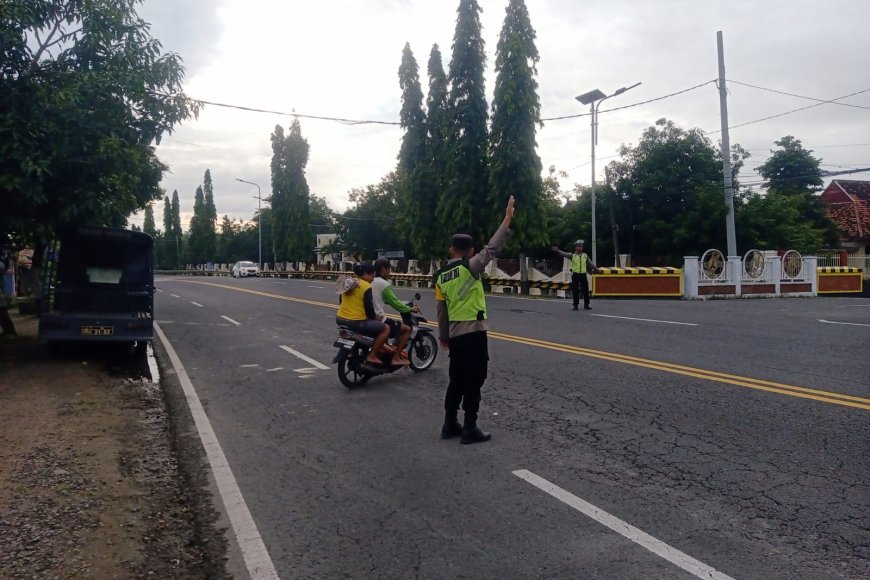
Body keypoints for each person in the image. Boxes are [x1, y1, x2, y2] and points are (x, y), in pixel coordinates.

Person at [435, 195, 515, 444]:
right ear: (470, 251)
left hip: (456, 336)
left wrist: (444, 336)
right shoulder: (470, 266)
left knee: (456, 378)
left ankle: (449, 424)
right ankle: (470, 427)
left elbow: (441, 311)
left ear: (451, 249)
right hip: (474, 332)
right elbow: (492, 247)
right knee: (475, 379)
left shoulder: (440, 276)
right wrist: (507, 219)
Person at [336, 263, 405, 367]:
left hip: (340, 319)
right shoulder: (366, 286)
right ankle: (372, 355)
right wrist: (375, 318)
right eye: (372, 276)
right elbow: (369, 307)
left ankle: (354, 350)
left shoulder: (349, 283)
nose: (373, 279)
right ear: (364, 274)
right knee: (385, 328)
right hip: (356, 322)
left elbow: (341, 301)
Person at [371, 258, 417, 360]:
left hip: (368, 317)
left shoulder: (370, 280)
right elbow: (395, 303)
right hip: (378, 318)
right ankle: (396, 357)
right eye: (389, 269)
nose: (390, 272)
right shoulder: (383, 284)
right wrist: (411, 309)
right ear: (383, 269)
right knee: (407, 329)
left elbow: (383, 298)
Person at [551, 240, 599, 311]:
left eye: (582, 246)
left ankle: (586, 304)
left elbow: (590, 264)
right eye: (579, 246)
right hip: (575, 275)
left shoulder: (585, 256)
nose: (581, 247)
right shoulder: (572, 255)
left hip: (583, 275)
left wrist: (596, 269)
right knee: (575, 290)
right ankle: (575, 305)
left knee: (585, 290)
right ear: (576, 247)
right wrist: (558, 250)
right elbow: (564, 254)